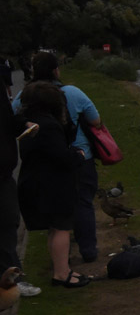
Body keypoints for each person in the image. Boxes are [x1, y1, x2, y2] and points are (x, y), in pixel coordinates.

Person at [12, 52, 101, 263]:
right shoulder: (73, 92)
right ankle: (88, 250)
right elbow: (96, 120)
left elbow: (14, 120)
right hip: (79, 155)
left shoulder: (23, 96)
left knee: (55, 212)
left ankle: (60, 257)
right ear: (55, 70)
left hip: (44, 161)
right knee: (83, 203)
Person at [16, 81, 90, 287]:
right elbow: (61, 156)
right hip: (52, 186)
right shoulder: (48, 126)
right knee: (61, 228)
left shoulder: (30, 123)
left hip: (37, 182)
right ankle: (62, 273)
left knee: (55, 228)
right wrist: (78, 155)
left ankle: (61, 269)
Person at [0, 84, 39, 297]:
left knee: (8, 224)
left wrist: (24, 123)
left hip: (4, 174)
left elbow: (7, 119)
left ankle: (13, 282)